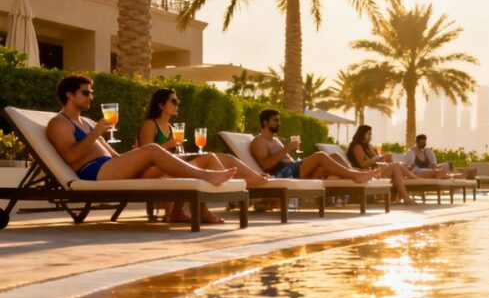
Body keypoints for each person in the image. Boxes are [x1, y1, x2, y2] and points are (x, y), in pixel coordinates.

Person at [47, 75, 239, 188]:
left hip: (112, 166)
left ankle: (186, 212)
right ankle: (206, 176)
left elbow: (114, 155)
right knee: (153, 149)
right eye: (86, 93)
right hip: (94, 172)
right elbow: (71, 157)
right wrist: (96, 133)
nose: (91, 97)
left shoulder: (87, 122)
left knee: (174, 167)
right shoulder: (59, 123)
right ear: (69, 94)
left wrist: (134, 156)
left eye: (92, 93)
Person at [137, 89, 271, 223]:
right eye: (174, 101)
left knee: (223, 158)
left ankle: (251, 179)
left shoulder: (172, 127)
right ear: (161, 105)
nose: (177, 104)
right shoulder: (150, 124)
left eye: (178, 101)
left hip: (169, 166)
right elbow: (145, 154)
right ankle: (240, 184)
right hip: (151, 171)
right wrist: (168, 144)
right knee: (209, 158)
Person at [250, 109, 381, 183]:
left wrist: (292, 154)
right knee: (320, 156)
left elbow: (285, 159)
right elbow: (266, 165)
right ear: (265, 122)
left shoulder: (275, 141)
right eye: (275, 120)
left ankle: (356, 175)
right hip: (281, 174)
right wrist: (287, 148)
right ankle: (356, 176)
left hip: (294, 169)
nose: (279, 123)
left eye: (279, 120)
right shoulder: (259, 142)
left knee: (333, 157)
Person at [346, 125, 418, 204]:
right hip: (366, 173)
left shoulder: (367, 147)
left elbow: (374, 160)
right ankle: (413, 180)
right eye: (369, 134)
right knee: (396, 166)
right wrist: (377, 159)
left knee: (396, 167)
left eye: (371, 134)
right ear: (362, 134)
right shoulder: (357, 146)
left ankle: (402, 196)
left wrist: (383, 158)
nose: (370, 137)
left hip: (373, 171)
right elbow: (362, 164)